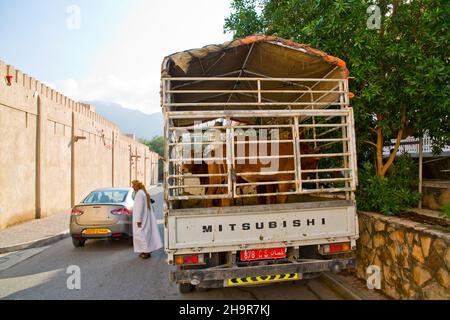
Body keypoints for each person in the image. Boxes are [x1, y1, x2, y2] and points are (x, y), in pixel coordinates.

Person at [131, 180, 163, 259]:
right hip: (144, 218)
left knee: (141, 236)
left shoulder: (139, 194)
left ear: (137, 186)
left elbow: (139, 208)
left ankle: (146, 252)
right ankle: (144, 251)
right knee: (144, 235)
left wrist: (138, 220)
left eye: (134, 185)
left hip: (141, 219)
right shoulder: (142, 193)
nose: (132, 187)